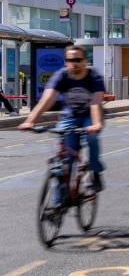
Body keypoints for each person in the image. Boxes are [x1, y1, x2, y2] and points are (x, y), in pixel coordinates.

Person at [18, 45, 105, 202]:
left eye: (78, 60)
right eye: (70, 60)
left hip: (89, 117)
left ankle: (95, 173)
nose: (74, 63)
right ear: (65, 62)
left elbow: (95, 103)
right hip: (70, 117)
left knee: (92, 139)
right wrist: (30, 121)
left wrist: (96, 124)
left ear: (85, 61)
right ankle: (56, 206)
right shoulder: (61, 76)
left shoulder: (94, 77)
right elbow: (47, 100)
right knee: (65, 159)